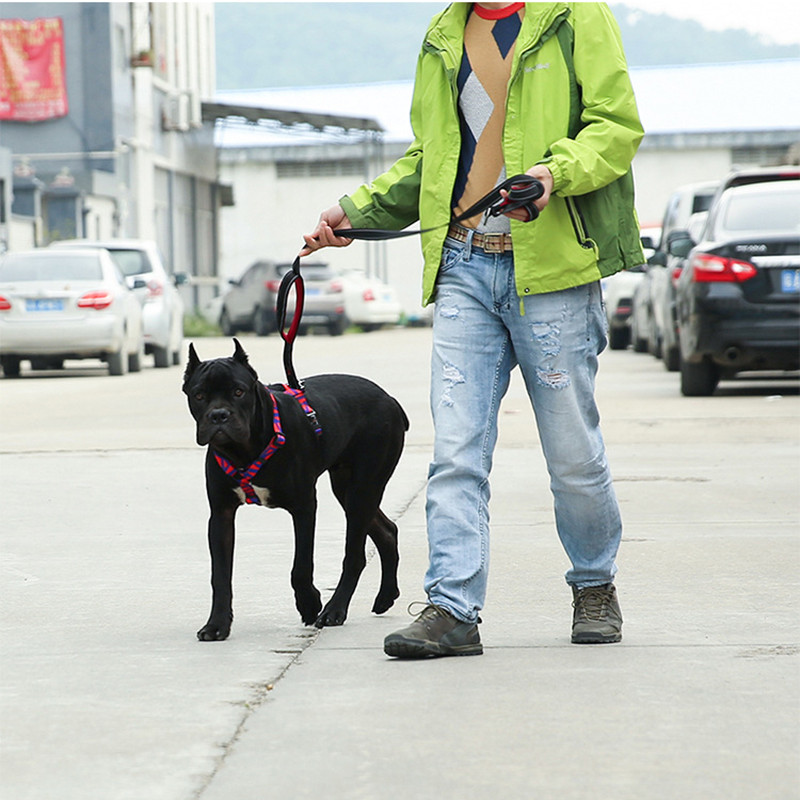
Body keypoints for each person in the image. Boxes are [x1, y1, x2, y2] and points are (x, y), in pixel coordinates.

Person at [301, 2, 644, 658]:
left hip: (552, 271)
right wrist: (355, 211)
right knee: (456, 451)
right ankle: (452, 608)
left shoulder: (574, 17)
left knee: (572, 454)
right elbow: (432, 160)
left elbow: (616, 127)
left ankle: (595, 585)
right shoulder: (444, 33)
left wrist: (552, 173)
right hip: (463, 264)